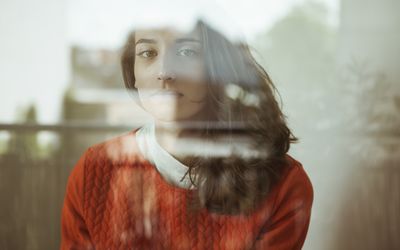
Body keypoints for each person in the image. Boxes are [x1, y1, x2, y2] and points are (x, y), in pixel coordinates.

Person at [60, 20, 313, 250]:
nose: (165, 72)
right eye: (148, 53)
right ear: (133, 74)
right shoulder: (94, 171)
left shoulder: (283, 185)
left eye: (186, 52)